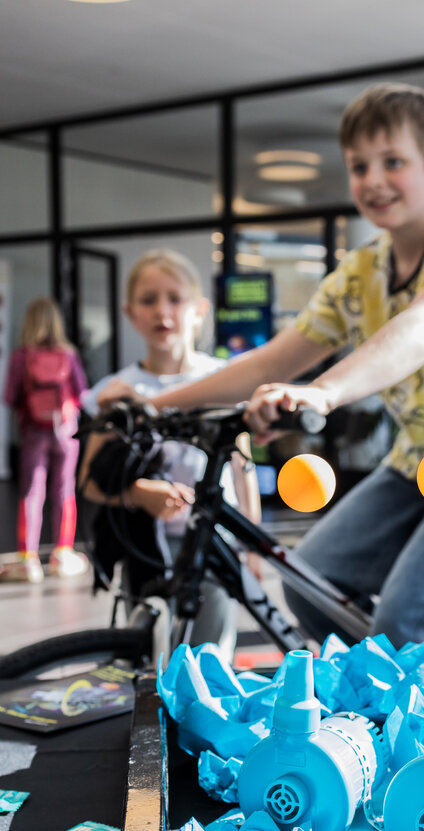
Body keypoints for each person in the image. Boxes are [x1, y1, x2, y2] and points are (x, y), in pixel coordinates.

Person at [97, 84, 424, 658]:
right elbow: (273, 359)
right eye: (359, 166)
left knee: (406, 621)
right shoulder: (362, 270)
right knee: (309, 584)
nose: (374, 180)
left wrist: (322, 393)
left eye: (393, 162)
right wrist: (154, 403)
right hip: (421, 461)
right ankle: (395, 684)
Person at [80, 248, 261, 662]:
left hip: (215, 543)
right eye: (148, 300)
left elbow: (243, 468)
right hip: (146, 549)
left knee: (210, 661)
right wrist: (136, 494)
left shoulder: (222, 382)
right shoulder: (115, 392)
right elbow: (88, 481)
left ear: (199, 310)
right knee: (150, 659)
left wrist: (250, 546)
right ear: (129, 313)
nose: (162, 311)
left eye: (174, 299)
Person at [2, 297, 89, 584]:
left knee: (31, 493)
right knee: (64, 490)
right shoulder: (68, 354)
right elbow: (82, 393)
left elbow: (10, 396)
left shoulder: (21, 357)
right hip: (66, 432)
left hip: (33, 432)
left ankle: (28, 560)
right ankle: (62, 553)